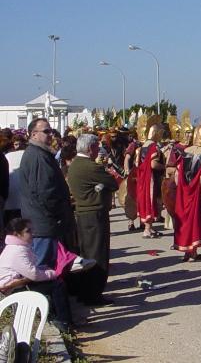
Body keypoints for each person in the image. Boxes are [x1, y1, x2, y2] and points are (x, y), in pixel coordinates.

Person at [66, 134, 118, 306]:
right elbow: (113, 182)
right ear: (90, 148)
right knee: (97, 254)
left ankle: (86, 291)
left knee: (86, 253)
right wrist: (102, 185)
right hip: (94, 214)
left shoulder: (75, 164)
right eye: (96, 147)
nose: (98, 150)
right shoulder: (90, 166)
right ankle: (93, 294)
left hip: (83, 214)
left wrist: (100, 186)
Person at [0, 218, 76, 332]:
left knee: (54, 284)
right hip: (12, 289)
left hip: (19, 284)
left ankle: (60, 319)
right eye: (28, 231)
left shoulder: (19, 247)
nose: (32, 233)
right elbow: (34, 274)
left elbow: (30, 270)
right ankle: (64, 322)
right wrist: (53, 273)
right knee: (57, 285)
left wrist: (46, 270)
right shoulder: (17, 250)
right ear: (17, 234)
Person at [18, 118, 76, 268]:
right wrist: (58, 214)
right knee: (43, 268)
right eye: (46, 131)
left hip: (43, 222)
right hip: (43, 224)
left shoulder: (41, 154)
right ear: (33, 134)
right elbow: (45, 192)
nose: (51, 134)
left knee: (48, 267)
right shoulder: (38, 156)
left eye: (51, 131)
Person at [173, 117, 201, 262]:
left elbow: (177, 174)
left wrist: (180, 189)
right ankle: (193, 253)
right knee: (195, 221)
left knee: (184, 221)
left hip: (183, 192)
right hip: (195, 192)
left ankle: (187, 252)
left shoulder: (185, 152)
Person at [135, 116, 165, 238]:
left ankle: (150, 228)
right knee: (150, 200)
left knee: (146, 200)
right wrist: (164, 167)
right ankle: (147, 230)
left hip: (142, 177)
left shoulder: (143, 146)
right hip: (150, 178)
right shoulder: (153, 146)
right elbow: (153, 164)